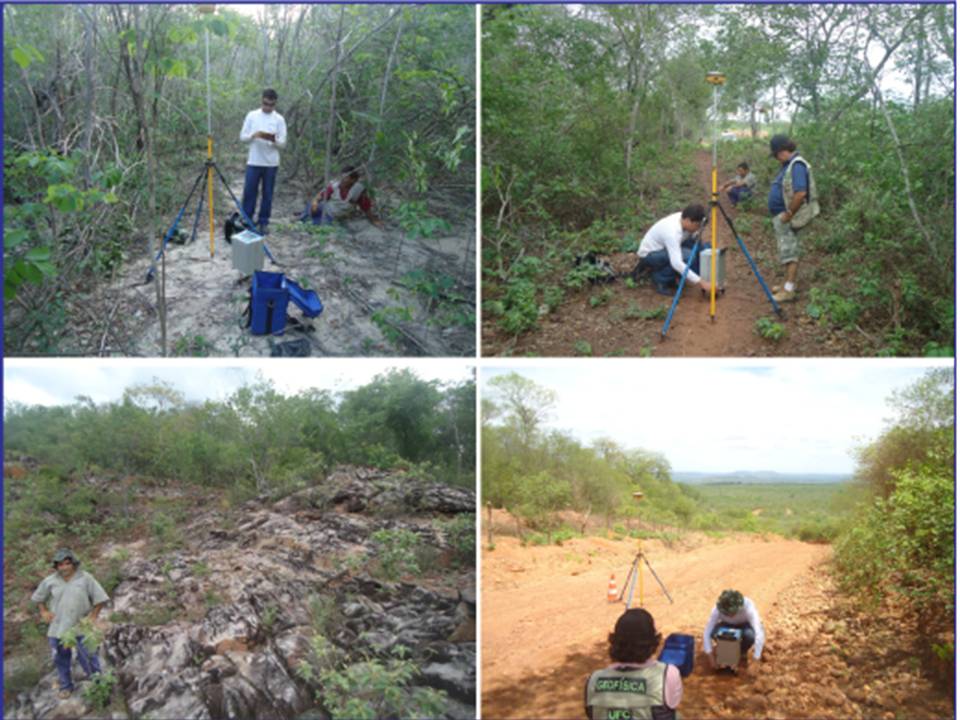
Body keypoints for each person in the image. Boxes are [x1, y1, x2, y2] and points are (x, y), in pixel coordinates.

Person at [31, 548, 110, 699]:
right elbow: (38, 598)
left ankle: (99, 684)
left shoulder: (85, 578)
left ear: (73, 564)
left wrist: (93, 617)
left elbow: (100, 598)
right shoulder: (50, 581)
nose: (64, 567)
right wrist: (43, 612)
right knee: (61, 658)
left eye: (67, 563)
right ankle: (66, 686)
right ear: (56, 567)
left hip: (81, 625)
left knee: (88, 655)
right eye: (60, 565)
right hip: (58, 627)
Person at [585, 608, 683, 720]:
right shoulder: (667, 675)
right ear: (653, 641)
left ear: (615, 641)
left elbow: (591, 713)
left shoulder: (593, 680)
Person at [767, 134, 819, 303]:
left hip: (788, 217)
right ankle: (785, 285)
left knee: (790, 253)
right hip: (783, 216)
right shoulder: (789, 165)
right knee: (786, 251)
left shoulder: (796, 166)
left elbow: (801, 193)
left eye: (775, 155)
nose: (776, 159)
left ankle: (788, 290)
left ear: (781, 151)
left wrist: (788, 214)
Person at [634, 204, 715, 296]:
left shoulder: (683, 218)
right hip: (650, 255)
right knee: (688, 256)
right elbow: (676, 263)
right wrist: (701, 282)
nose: (698, 229)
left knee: (698, 246)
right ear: (688, 221)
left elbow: (691, 237)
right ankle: (660, 279)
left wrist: (696, 236)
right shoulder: (672, 232)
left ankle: (672, 276)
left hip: (665, 248)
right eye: (697, 226)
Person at [239, 88, 288, 235]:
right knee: (249, 192)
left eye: (271, 105)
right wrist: (254, 135)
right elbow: (242, 137)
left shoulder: (279, 119)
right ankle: (247, 220)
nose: (267, 107)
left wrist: (273, 140)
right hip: (254, 161)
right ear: (261, 100)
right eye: (265, 103)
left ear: (275, 104)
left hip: (271, 163)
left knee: (267, 193)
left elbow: (283, 144)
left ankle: (263, 221)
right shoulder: (252, 115)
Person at [300, 166, 383, 227]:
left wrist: (374, 220)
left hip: (333, 216)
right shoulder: (334, 185)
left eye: (346, 178)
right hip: (324, 208)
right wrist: (315, 203)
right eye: (342, 177)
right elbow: (320, 196)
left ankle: (306, 218)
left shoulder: (358, 190)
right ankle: (304, 216)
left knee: (320, 224)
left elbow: (366, 207)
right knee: (310, 209)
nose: (343, 179)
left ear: (353, 180)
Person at [702, 589, 765, 668]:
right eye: (726, 613)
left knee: (750, 635)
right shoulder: (717, 609)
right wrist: (711, 658)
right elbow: (707, 632)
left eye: (732, 612)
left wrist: (756, 659)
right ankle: (726, 651)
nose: (730, 615)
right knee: (714, 632)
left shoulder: (748, 607)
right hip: (727, 625)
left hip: (744, 626)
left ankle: (742, 651)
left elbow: (759, 632)